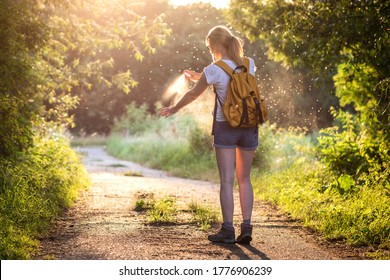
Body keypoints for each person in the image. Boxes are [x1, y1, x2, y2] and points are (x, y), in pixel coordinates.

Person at [160, 25, 258, 245]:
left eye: (209, 47)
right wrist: (201, 75)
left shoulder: (213, 69)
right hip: (249, 125)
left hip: (226, 127)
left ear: (215, 45)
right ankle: (247, 227)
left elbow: (194, 94)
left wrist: (174, 108)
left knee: (226, 180)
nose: (209, 51)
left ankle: (227, 230)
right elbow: (231, 76)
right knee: (244, 179)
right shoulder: (250, 64)